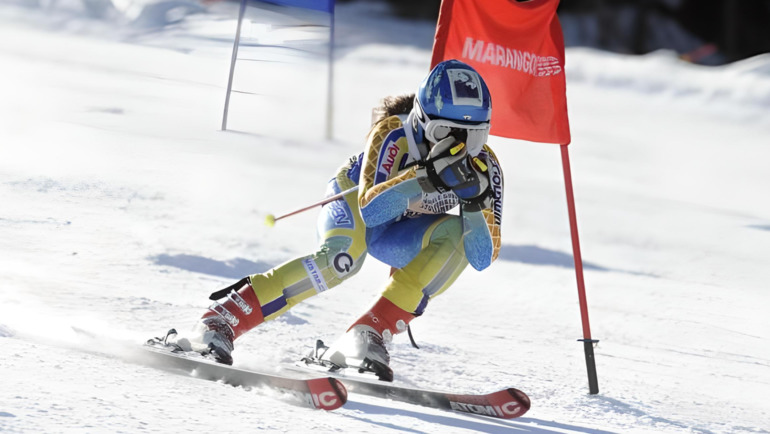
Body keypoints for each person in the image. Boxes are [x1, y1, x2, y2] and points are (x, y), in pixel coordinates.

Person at [164, 59, 504, 381]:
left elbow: (480, 258)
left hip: (400, 230)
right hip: (356, 198)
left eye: (474, 135)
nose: (459, 145)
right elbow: (371, 210)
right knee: (340, 261)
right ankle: (220, 319)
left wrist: (475, 202)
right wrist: (427, 177)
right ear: (421, 119)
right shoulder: (394, 134)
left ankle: (368, 333)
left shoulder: (485, 167)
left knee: (458, 236)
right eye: (446, 131)